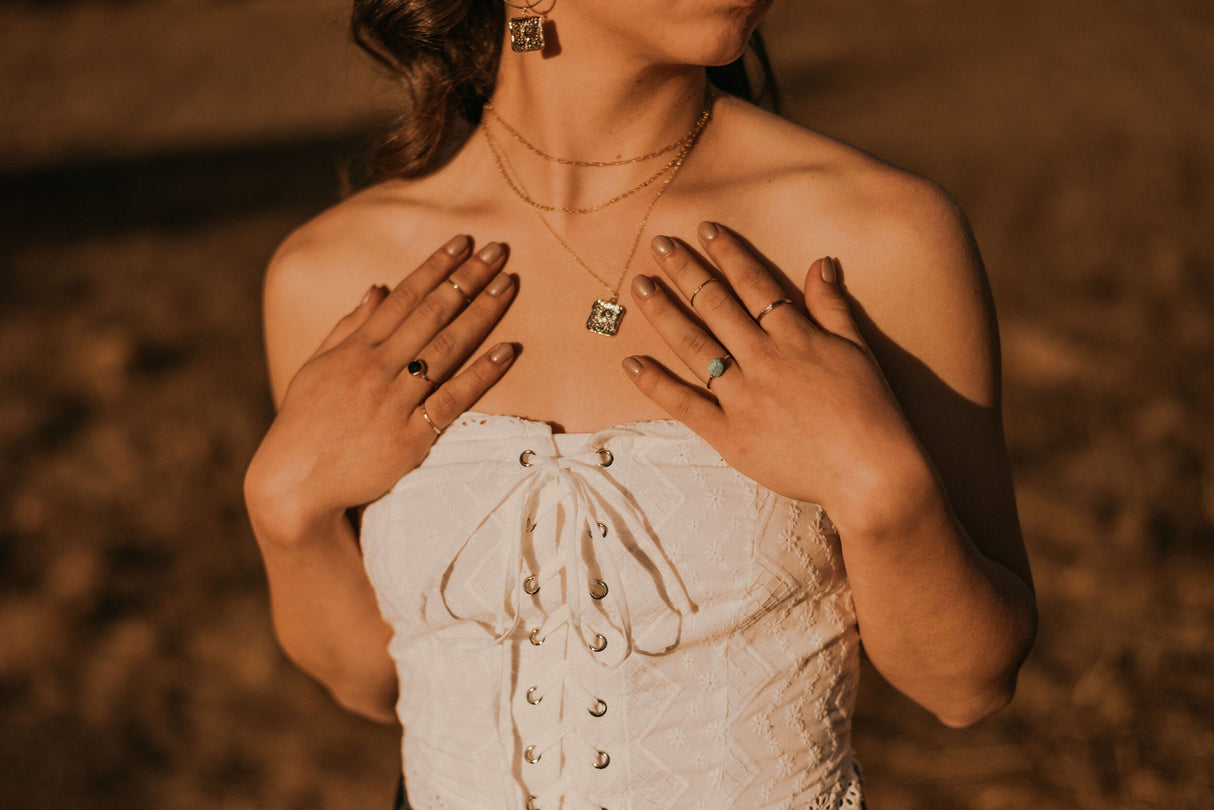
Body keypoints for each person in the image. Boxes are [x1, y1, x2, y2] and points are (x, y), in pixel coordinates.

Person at [243, 1, 1037, 807]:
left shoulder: (876, 238)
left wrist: (881, 490)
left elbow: (967, 685)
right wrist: (284, 511)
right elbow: (374, 685)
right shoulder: (330, 276)